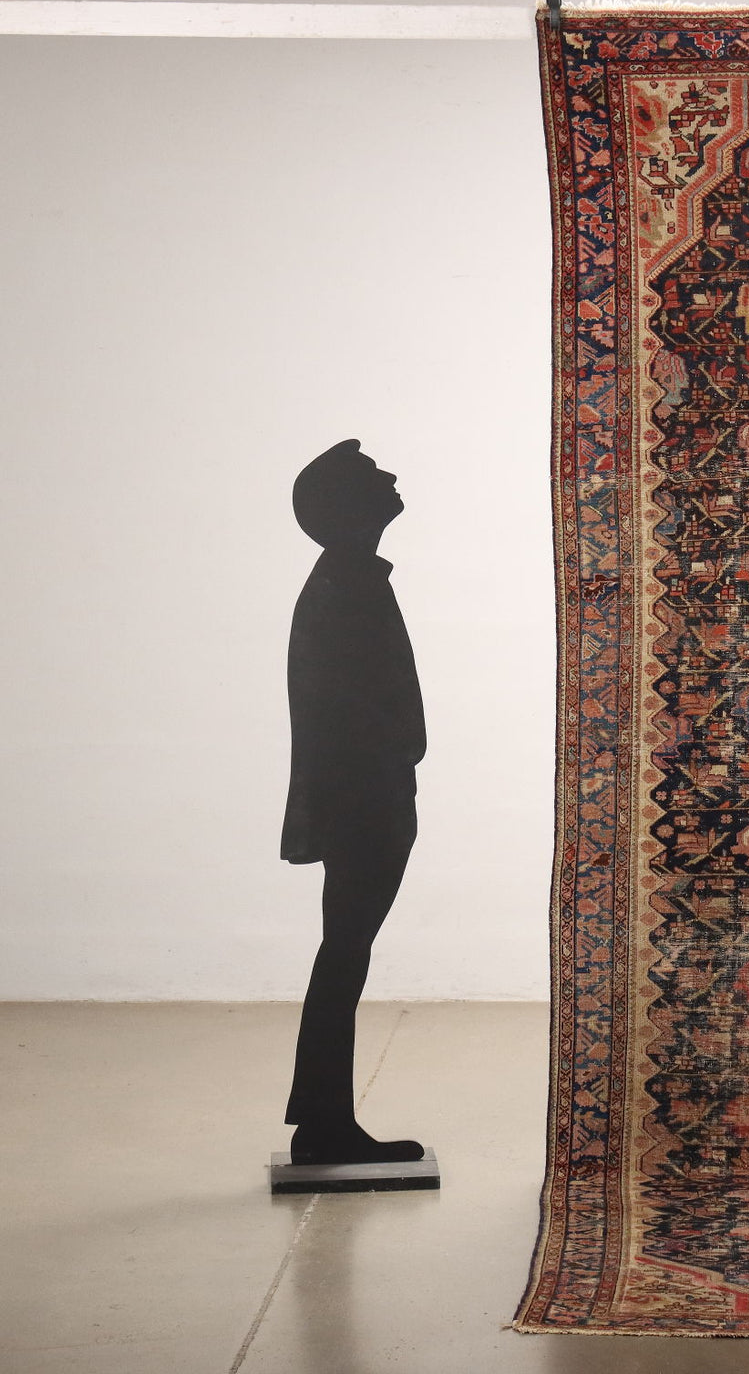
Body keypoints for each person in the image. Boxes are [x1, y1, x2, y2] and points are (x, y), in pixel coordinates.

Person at [280, 439, 425, 1164]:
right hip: (364, 798)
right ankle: (323, 1122)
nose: (390, 476)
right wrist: (388, 772)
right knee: (344, 953)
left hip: (367, 793)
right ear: (346, 507)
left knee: (344, 952)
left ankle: (322, 1118)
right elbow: (344, 710)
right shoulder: (347, 586)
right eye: (371, 475)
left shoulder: (349, 579)